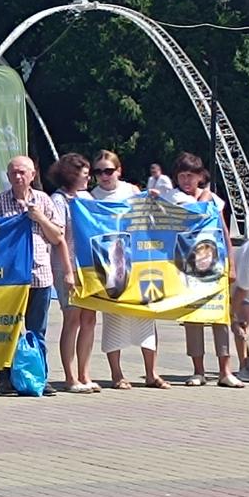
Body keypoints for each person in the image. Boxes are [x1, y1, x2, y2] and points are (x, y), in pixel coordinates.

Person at [153, 152, 239, 388]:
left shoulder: (214, 200)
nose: (186, 181)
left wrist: (232, 263)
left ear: (201, 176)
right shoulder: (174, 198)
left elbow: (224, 232)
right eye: (181, 176)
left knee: (220, 318)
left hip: (214, 263)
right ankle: (198, 370)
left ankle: (225, 370)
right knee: (194, 319)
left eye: (190, 176)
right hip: (187, 266)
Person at [0, 155, 64, 395]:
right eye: (14, 173)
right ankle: (5, 375)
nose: (18, 177)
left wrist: (39, 217)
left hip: (39, 274)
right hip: (8, 276)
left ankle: (38, 375)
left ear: (32, 175)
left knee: (37, 329)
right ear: (8, 176)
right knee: (7, 329)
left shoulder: (44, 201)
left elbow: (58, 236)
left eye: (23, 172)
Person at [92, 150, 165, 391]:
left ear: (119, 171)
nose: (104, 176)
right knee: (113, 317)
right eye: (99, 171)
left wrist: (154, 200)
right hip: (109, 263)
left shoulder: (132, 192)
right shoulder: (91, 198)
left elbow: (152, 219)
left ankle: (151, 373)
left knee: (146, 316)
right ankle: (116, 374)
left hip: (139, 260)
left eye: (108, 170)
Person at [46, 153, 99, 394]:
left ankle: (84, 374)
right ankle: (69, 377)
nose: (89, 178)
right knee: (72, 318)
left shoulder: (87, 197)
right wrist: (68, 271)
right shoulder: (58, 200)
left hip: (89, 266)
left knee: (89, 319)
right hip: (66, 265)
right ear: (71, 175)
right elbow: (59, 239)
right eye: (84, 174)